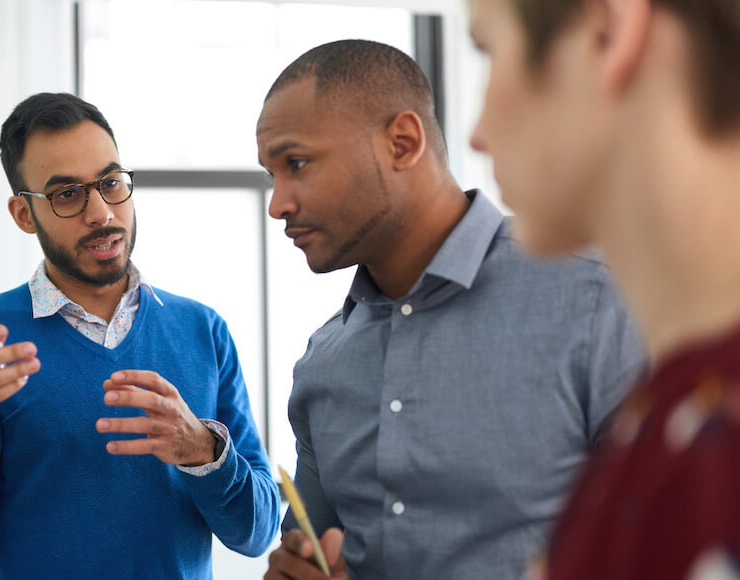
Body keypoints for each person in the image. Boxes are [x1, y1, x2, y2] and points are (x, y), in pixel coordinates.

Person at [256, 40, 646, 579]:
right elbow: (309, 546)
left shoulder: (597, 300)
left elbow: (677, 541)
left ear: (403, 142)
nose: (277, 203)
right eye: (270, 174)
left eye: (296, 163)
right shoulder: (323, 362)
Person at [0, 92, 279, 579]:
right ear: (25, 215)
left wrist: (204, 451)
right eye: (67, 194)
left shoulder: (203, 330)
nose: (102, 212)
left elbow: (257, 533)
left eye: (110, 183)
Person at [468, 0, 740, 577]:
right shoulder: (669, 414)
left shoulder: (712, 451)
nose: (477, 133)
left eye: (488, 50)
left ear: (607, 32)